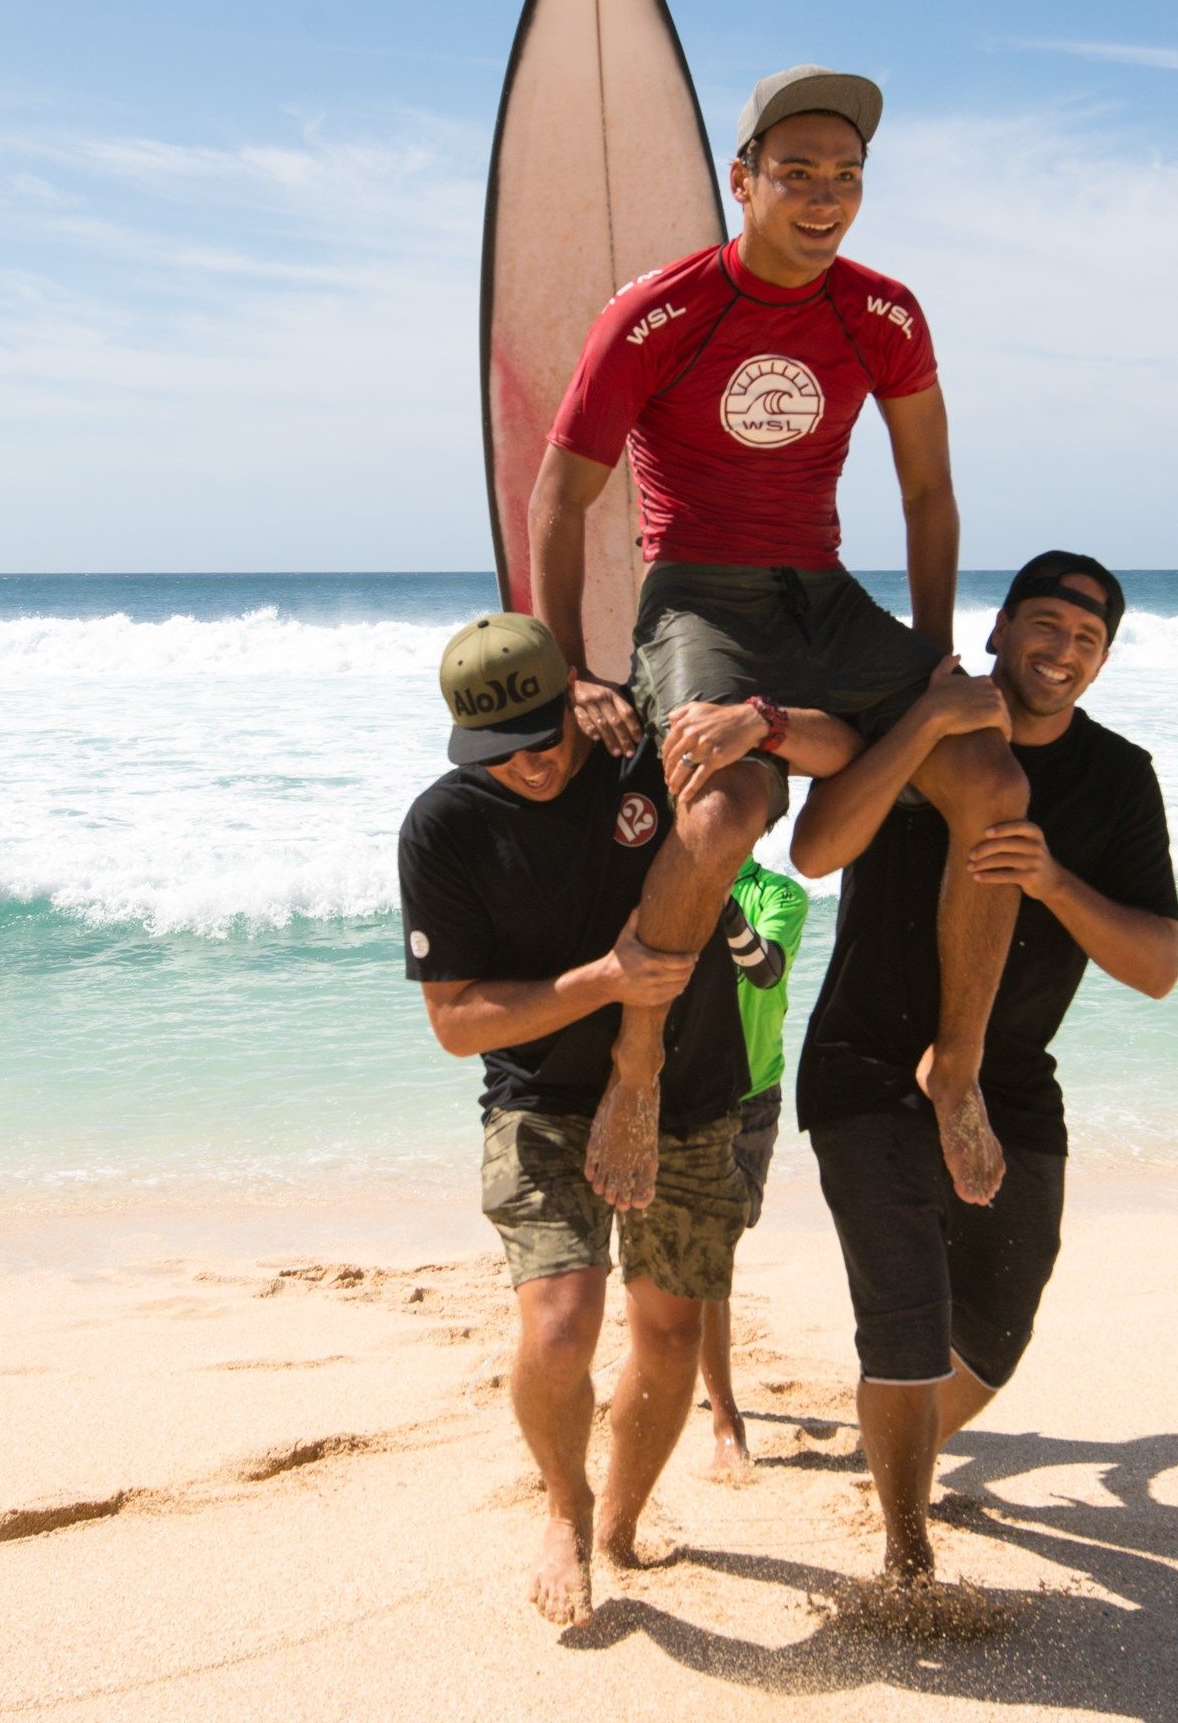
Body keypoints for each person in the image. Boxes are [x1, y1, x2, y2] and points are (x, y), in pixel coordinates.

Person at [528, 64, 1024, 1228]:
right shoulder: (660, 310)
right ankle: (638, 1064)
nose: (823, 195)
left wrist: (937, 666)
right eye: (795, 172)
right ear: (740, 179)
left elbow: (931, 491)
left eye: (845, 176)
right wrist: (573, 668)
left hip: (824, 595)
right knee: (721, 810)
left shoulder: (883, 311)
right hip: (697, 596)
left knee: (994, 778)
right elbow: (559, 495)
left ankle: (955, 1063)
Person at [397, 612, 855, 1626]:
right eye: (495, 750)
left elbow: (832, 759)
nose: (523, 765)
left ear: (576, 699)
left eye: (539, 737)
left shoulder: (643, 755)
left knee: (672, 1324)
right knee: (561, 1322)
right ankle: (566, 1502)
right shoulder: (445, 824)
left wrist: (758, 724)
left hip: (694, 1085)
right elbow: (457, 1019)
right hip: (540, 1096)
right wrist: (603, 980)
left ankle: (620, 1523)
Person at [788, 553, 1178, 1582]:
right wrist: (917, 722)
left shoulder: (1117, 778)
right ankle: (906, 1551)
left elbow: (1157, 966)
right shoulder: (916, 723)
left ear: (1103, 662)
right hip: (867, 1061)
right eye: (1045, 624)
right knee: (906, 1322)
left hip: (1008, 1076)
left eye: (1087, 641)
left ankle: (894, 1443)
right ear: (999, 627)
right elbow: (816, 849)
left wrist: (1054, 878)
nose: (1062, 652)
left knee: (997, 1332)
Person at [699, 854, 808, 1478]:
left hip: (751, 1093)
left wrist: (712, 894)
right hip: (679, 1087)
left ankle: (696, 1362)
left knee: (723, 1238)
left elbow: (763, 972)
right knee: (710, 1253)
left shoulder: (781, 895)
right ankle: (725, 1416)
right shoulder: (658, 876)